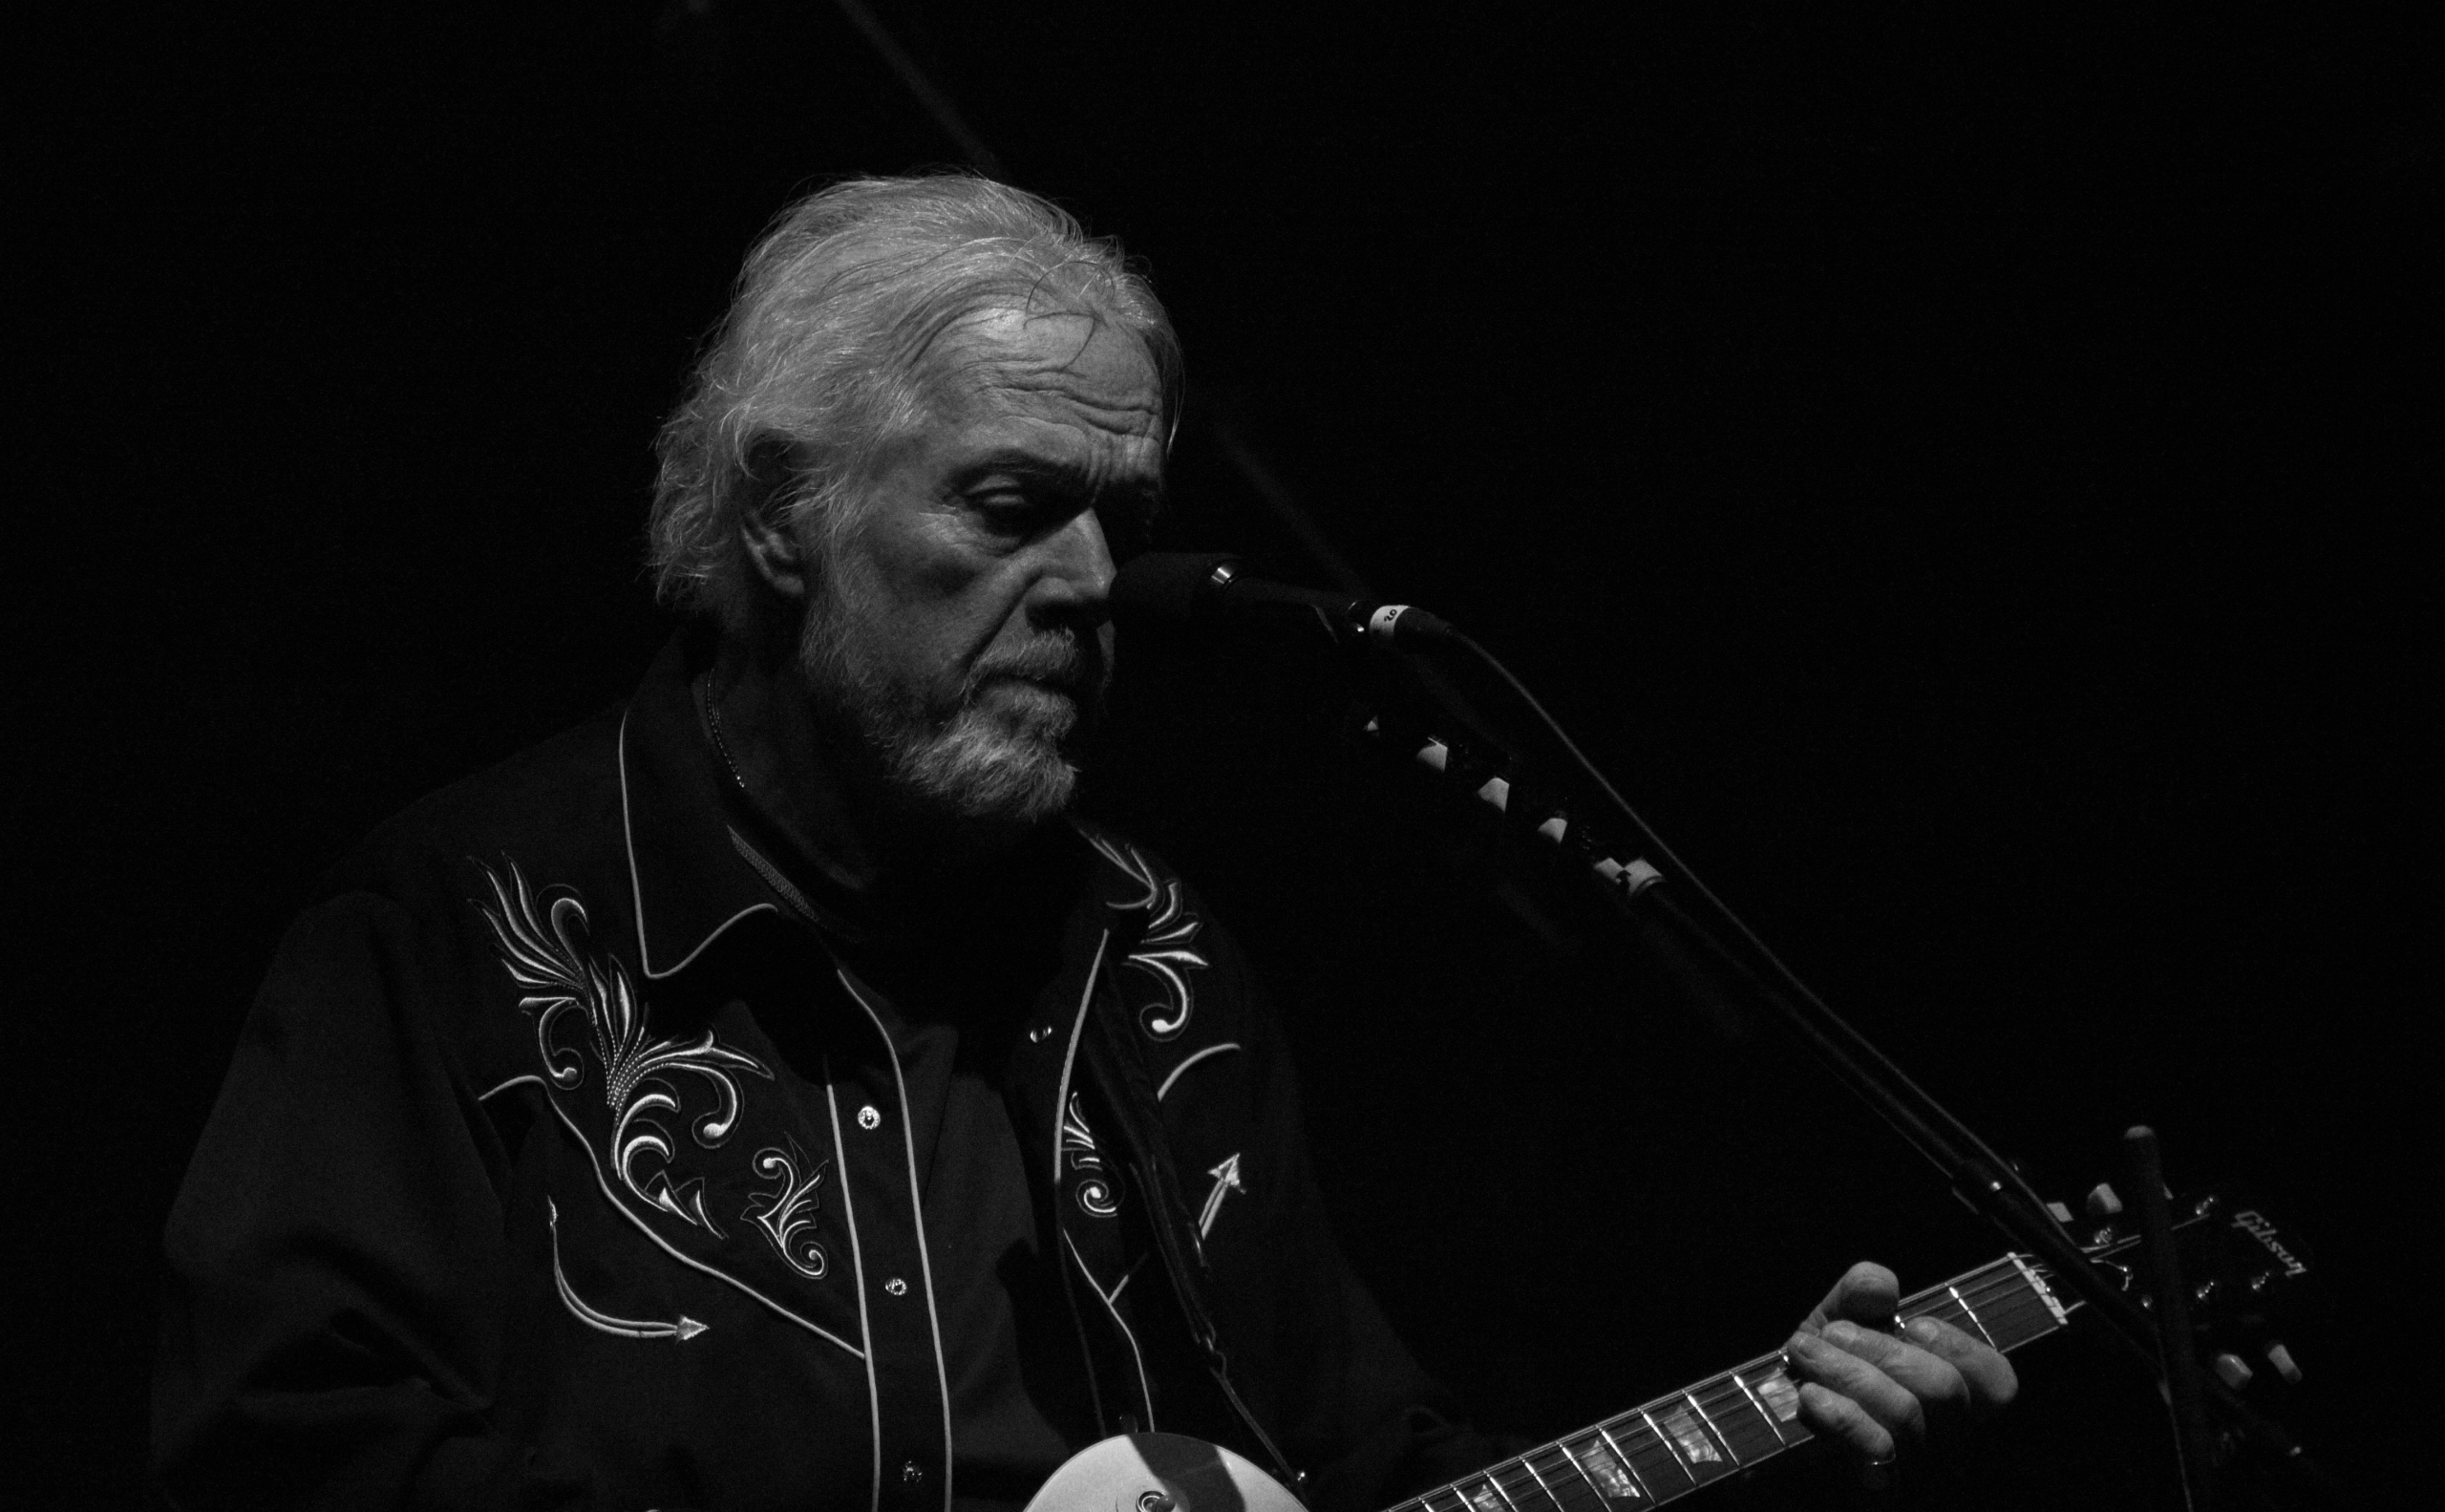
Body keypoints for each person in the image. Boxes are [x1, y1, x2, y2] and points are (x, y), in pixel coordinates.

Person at [155, 175, 2014, 1511]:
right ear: (784, 511)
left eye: (1118, 519)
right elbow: (275, 1445)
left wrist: (1777, 1443)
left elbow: (1365, 1458)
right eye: (1011, 505)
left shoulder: (1156, 963)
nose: (1090, 584)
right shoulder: (463, 922)